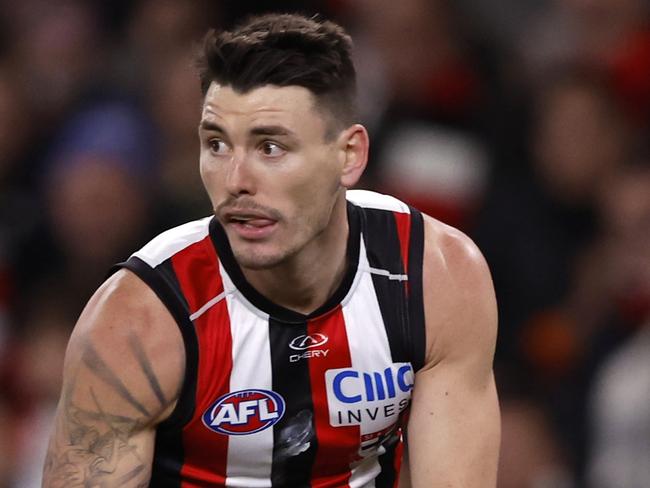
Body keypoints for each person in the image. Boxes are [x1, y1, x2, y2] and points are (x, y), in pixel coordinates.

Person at [42, 13, 499, 488]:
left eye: (270, 147)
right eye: (216, 144)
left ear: (349, 156)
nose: (236, 181)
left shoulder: (434, 278)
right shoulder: (140, 320)